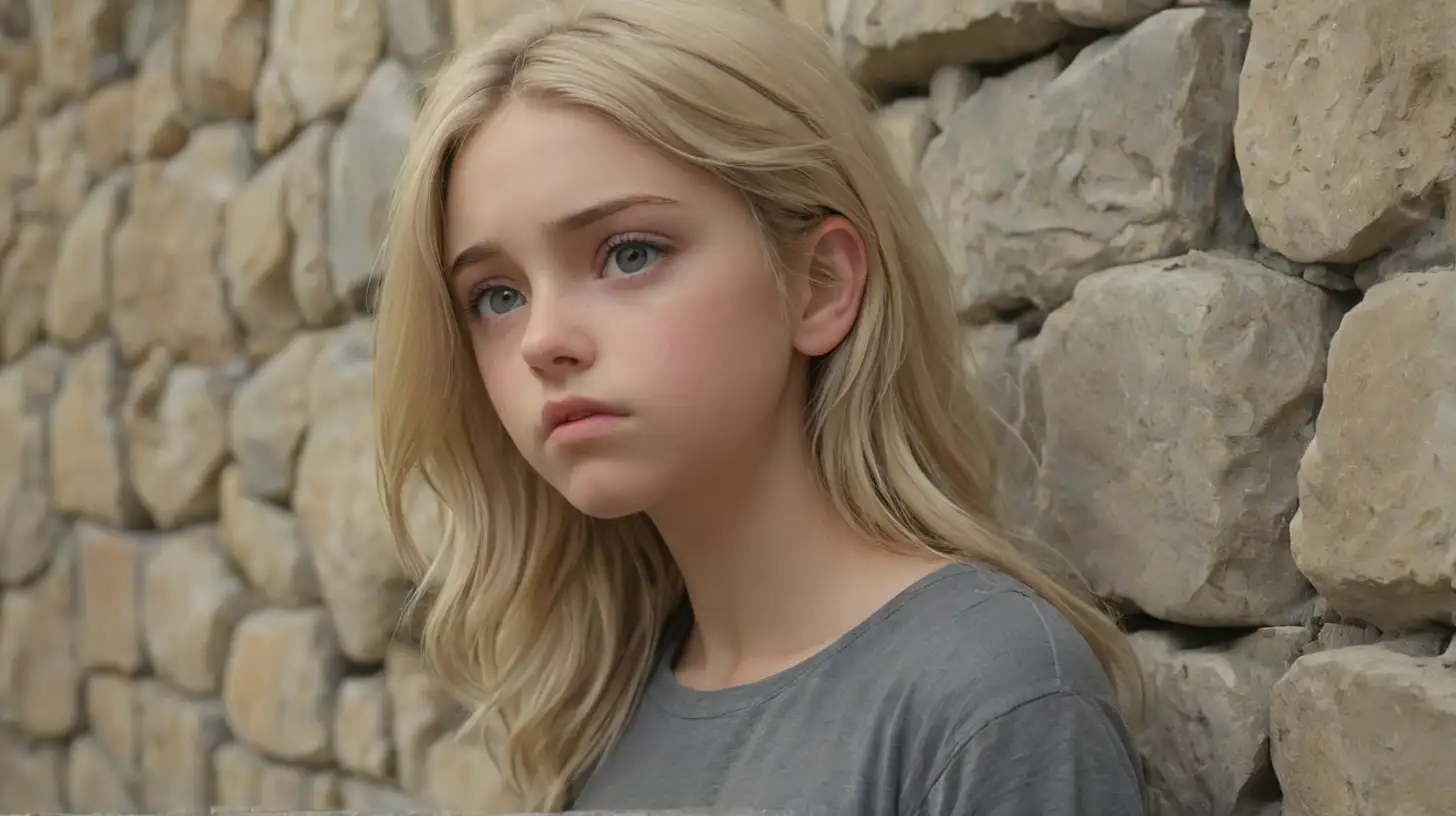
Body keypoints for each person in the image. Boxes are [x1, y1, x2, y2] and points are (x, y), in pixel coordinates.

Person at [372, 0, 1147, 812]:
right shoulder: (603, 704)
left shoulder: (988, 699)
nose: (542, 340)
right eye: (496, 296)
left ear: (821, 285)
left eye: (629, 254)